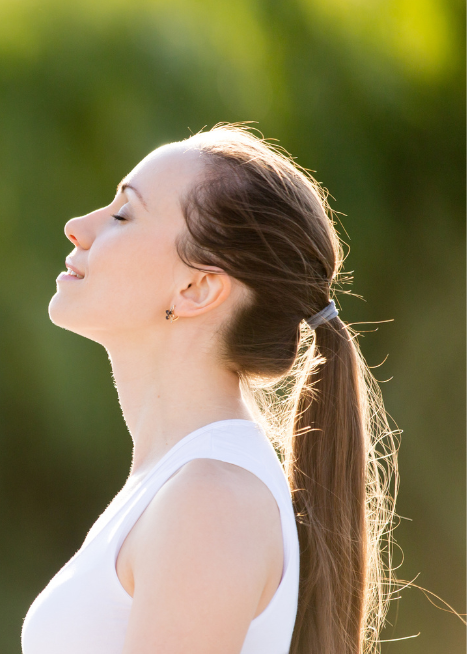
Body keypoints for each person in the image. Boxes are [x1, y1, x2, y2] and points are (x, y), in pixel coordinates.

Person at [21, 124, 398, 654]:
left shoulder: (211, 499)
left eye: (123, 214)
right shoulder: (182, 485)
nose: (77, 227)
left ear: (197, 288)